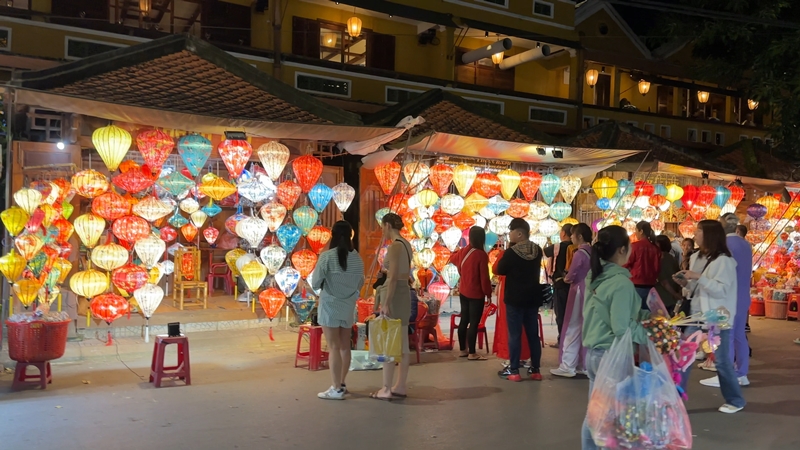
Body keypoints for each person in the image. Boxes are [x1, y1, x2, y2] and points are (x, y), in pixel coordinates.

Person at [581, 225, 651, 450]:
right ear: (622, 249)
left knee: (595, 414)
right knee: (610, 419)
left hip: (594, 353)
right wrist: (648, 334)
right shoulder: (621, 283)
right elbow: (621, 327)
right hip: (611, 355)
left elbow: (616, 313)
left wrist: (645, 316)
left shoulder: (596, 276)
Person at [673, 220, 746, 414]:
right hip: (695, 316)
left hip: (716, 318)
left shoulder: (724, 261)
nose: (695, 234)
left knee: (721, 361)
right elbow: (695, 289)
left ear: (710, 235)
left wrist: (698, 277)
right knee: (684, 359)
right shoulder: (695, 256)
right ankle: (675, 400)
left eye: (699, 231)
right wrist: (685, 283)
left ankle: (735, 400)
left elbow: (721, 290)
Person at [312, 221, 365, 400]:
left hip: (329, 305)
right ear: (350, 236)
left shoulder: (327, 257)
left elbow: (315, 283)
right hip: (348, 305)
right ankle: (341, 384)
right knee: (344, 346)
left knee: (333, 347)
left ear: (333, 236)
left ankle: (335, 388)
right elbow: (360, 283)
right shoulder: (357, 259)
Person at [494, 218, 544, 381]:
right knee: (533, 335)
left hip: (515, 298)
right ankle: (535, 370)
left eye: (511, 231)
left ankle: (514, 371)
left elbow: (500, 269)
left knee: (514, 334)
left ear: (520, 233)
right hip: (532, 298)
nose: (510, 234)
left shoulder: (511, 252)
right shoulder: (537, 250)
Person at [371, 213, 413, 401]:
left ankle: (386, 387)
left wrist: (386, 302)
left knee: (389, 342)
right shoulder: (406, 244)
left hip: (394, 295)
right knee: (402, 341)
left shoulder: (395, 246)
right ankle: (400, 385)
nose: (382, 231)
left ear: (387, 225)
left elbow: (394, 276)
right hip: (404, 293)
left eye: (382, 227)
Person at [714, 213, 752, 387]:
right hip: (743, 295)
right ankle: (742, 373)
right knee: (739, 335)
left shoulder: (724, 246)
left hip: (728, 296)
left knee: (726, 336)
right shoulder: (745, 244)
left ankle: (726, 375)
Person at [551, 223, 592, 378]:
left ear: (579, 236)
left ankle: (568, 365)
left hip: (578, 290)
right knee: (585, 328)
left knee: (572, 327)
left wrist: (564, 278)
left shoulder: (579, 253)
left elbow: (571, 276)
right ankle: (583, 364)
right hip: (590, 291)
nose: (571, 237)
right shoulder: (592, 251)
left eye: (573, 234)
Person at [449, 226, 493, 360]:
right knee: (474, 322)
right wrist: (488, 294)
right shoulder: (481, 255)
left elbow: (452, 259)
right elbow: (484, 278)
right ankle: (472, 353)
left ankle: (463, 350)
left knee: (464, 320)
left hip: (463, 291)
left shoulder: (464, 251)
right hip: (476, 293)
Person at [544, 223, 573, 346]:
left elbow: (545, 251)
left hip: (560, 284)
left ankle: (562, 339)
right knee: (573, 314)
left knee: (561, 313)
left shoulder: (558, 246)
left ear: (564, 233)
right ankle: (570, 340)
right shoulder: (577, 247)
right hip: (575, 285)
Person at [624, 221, 661, 308]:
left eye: (636, 230)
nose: (635, 233)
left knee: (635, 312)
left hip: (636, 285)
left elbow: (626, 264)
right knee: (648, 313)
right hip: (651, 287)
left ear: (641, 231)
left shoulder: (634, 246)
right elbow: (657, 268)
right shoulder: (655, 248)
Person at [655, 235, 682, 311]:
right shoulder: (671, 258)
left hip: (664, 296)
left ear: (658, 244)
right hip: (672, 295)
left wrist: (674, 294)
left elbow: (664, 281)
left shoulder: (660, 259)